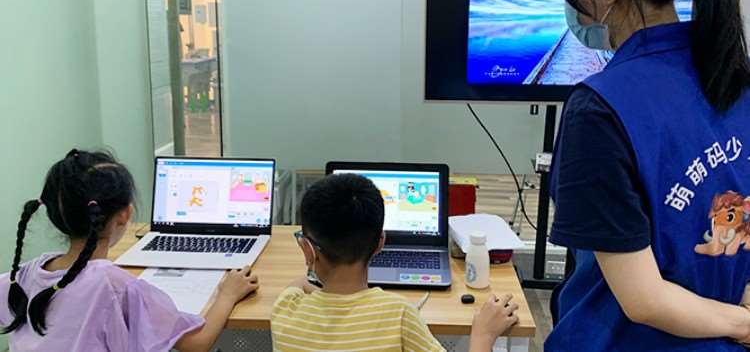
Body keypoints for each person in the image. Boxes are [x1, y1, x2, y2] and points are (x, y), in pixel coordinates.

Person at [544, 0, 750, 350]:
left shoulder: (598, 109)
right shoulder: (734, 77)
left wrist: (742, 324)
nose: (572, 9)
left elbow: (644, 301)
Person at [0, 149, 260, 352]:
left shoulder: (23, 275)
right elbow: (197, 343)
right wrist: (228, 294)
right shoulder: (116, 286)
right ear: (125, 214)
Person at [271, 173, 519, 352]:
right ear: (380, 242)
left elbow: (296, 284)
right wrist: (484, 335)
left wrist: (315, 282)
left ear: (307, 249)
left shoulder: (285, 309)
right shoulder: (398, 314)